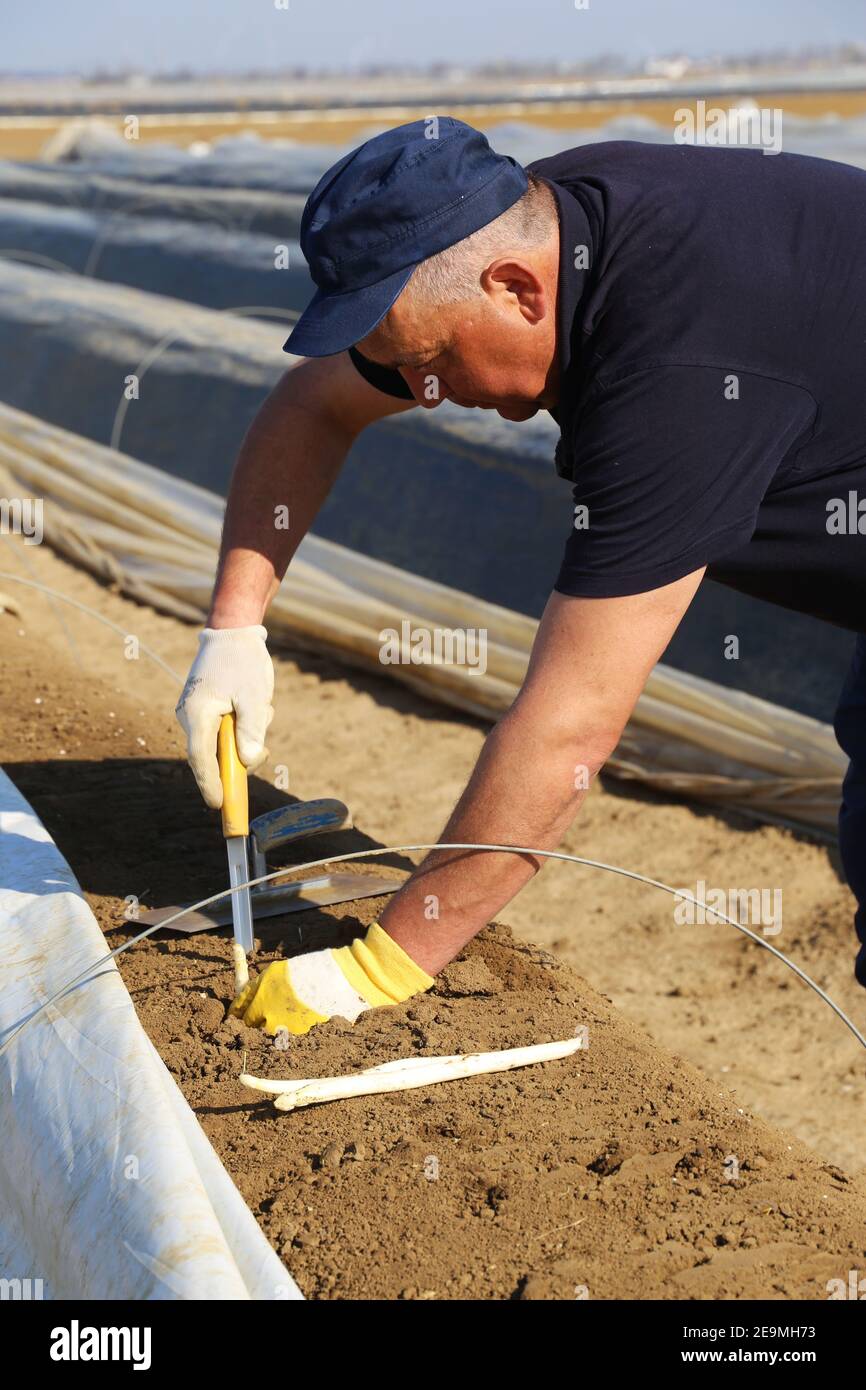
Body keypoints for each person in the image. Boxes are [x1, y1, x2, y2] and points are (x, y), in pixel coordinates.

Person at [176, 118, 866, 1034]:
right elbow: (314, 405)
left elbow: (568, 730)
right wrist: (235, 627)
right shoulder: (525, 225)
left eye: (430, 365)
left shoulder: (676, 378)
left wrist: (379, 972)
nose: (426, 395)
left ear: (516, 290)